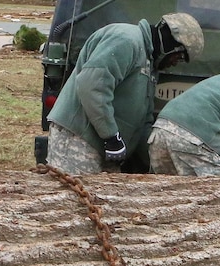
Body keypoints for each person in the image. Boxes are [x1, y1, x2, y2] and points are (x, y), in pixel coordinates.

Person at [45, 13, 204, 174]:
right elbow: (92, 85)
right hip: (79, 138)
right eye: (179, 57)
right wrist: (111, 137)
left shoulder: (149, 63)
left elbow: (143, 120)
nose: (175, 63)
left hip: (107, 148)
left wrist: (158, 160)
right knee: (74, 196)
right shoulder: (126, 40)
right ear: (171, 45)